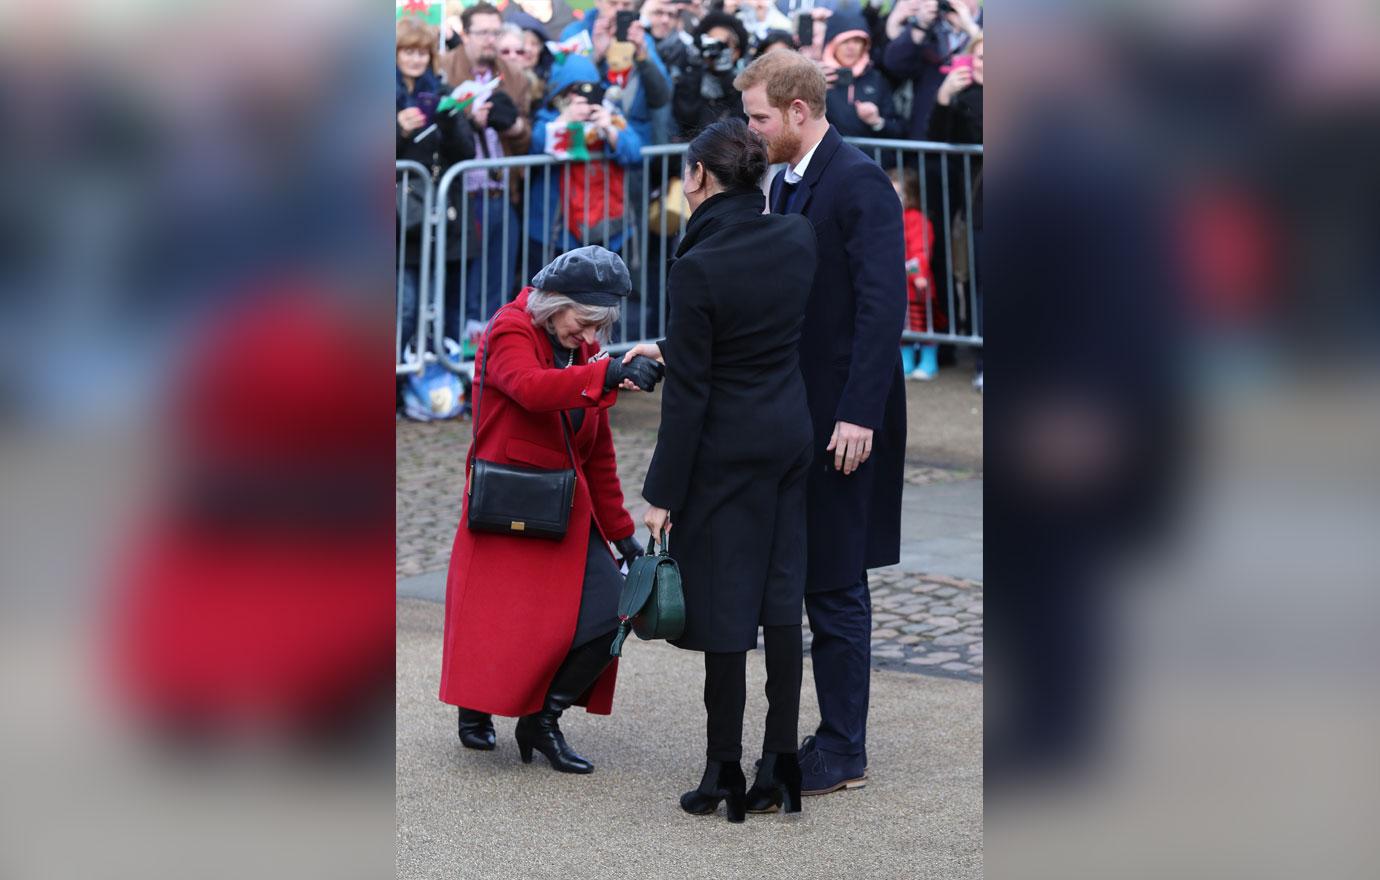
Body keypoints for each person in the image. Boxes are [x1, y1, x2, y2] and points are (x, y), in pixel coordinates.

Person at [626, 119, 817, 822]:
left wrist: (660, 494)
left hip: (728, 448)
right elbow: (761, 322)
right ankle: (781, 767)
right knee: (782, 598)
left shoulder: (697, 266)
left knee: (730, 612)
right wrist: (681, 343)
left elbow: (693, 396)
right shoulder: (798, 236)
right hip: (788, 433)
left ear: (700, 178)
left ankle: (724, 772)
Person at [736, 48, 907, 797]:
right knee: (813, 580)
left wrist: (859, 414)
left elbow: (881, 309)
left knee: (837, 584)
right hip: (801, 418)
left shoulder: (859, 182)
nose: (751, 131)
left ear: (798, 112)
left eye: (759, 117)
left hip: (844, 421)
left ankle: (843, 747)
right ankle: (831, 734)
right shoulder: (792, 180)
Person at [439, 245, 665, 770]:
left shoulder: (583, 351)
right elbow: (528, 388)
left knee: (614, 611)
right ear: (553, 303)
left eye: (598, 328)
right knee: (494, 618)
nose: (590, 337)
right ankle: (475, 705)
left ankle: (542, 721)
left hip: (565, 500)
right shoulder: (510, 327)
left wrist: (621, 533)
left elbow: (599, 452)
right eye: (583, 323)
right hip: (509, 495)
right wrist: (604, 375)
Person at [396, 17, 476, 358]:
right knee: (405, 307)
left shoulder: (441, 93)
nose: (416, 59)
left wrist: (449, 122)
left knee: (430, 305)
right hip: (393, 220)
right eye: (407, 52)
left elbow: (466, 152)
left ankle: (415, 380)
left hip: (434, 217)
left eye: (422, 53)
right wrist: (395, 130)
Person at [561, 0, 672, 148]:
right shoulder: (576, 33)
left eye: (626, 5)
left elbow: (662, 95)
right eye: (613, 3)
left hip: (634, 142)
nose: (619, 10)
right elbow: (563, 87)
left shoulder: (642, 39)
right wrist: (596, 56)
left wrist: (643, 57)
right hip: (588, 140)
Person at [880, 0, 982, 139]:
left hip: (976, 138)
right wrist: (921, 26)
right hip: (927, 135)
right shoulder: (930, 24)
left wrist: (972, 30)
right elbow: (895, 65)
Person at [888, 166, 941, 380]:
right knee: (902, 327)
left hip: (915, 284)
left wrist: (917, 274)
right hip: (897, 284)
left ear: (911, 196)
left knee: (923, 325)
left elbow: (921, 249)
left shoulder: (916, 219)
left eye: (899, 194)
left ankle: (929, 361)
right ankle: (906, 362)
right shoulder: (889, 217)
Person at [819, 7, 904, 139]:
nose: (851, 47)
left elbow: (898, 130)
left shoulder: (877, 80)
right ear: (832, 44)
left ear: (865, 45)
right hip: (829, 159)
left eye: (857, 41)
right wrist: (812, 90)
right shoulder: (815, 78)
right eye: (845, 41)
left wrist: (877, 122)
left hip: (871, 158)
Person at [672, 11, 750, 136]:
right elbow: (685, 117)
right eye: (711, 43)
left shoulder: (745, 86)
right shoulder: (692, 76)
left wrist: (726, 76)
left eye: (722, 45)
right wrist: (694, 68)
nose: (716, 49)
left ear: (736, 52)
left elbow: (742, 119)